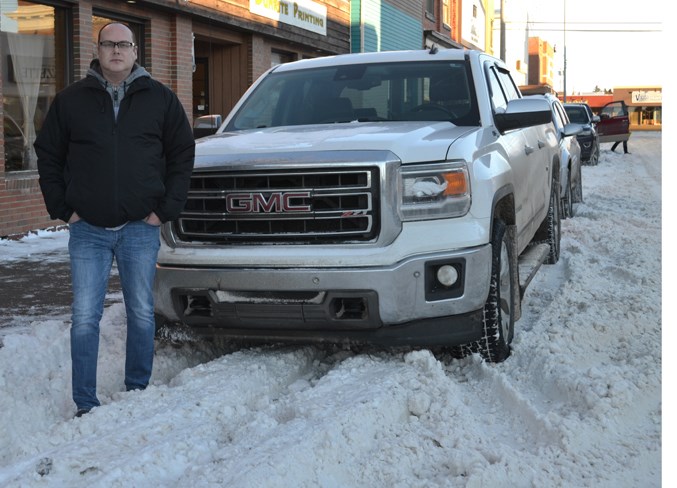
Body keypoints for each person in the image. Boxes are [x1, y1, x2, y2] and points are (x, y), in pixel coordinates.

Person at [34, 22, 195, 418]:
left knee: (141, 311)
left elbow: (182, 155)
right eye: (109, 44)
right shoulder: (71, 101)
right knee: (85, 317)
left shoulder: (160, 99)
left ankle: (137, 388)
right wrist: (63, 208)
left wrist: (165, 210)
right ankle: (85, 403)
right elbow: (48, 155)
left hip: (141, 227)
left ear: (136, 50)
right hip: (87, 229)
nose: (117, 51)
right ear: (98, 50)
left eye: (124, 44)